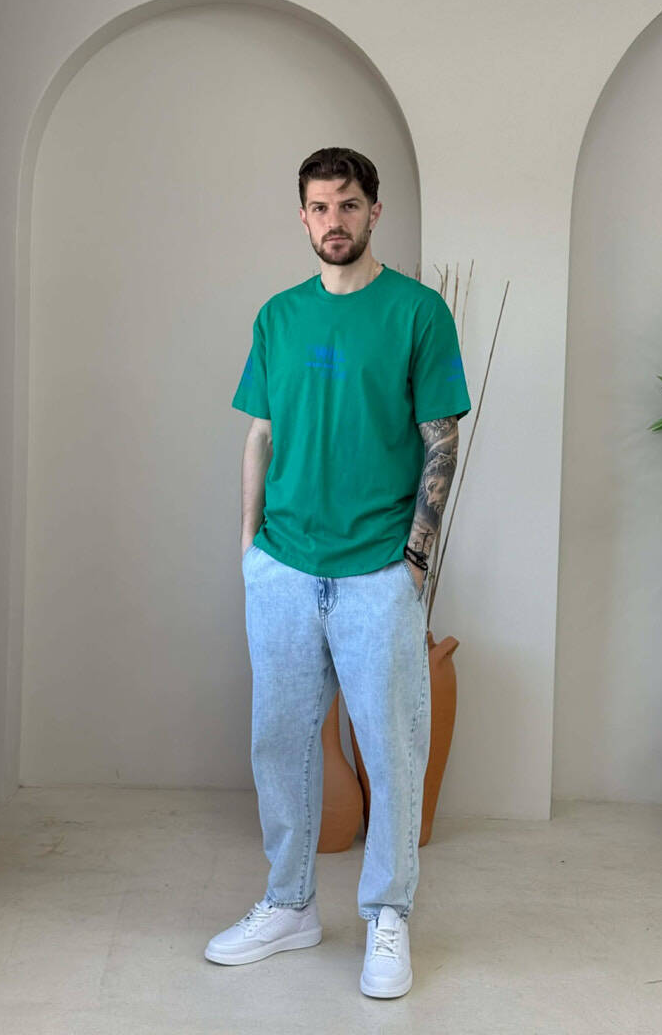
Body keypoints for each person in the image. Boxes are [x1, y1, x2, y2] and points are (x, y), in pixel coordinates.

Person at [204, 147, 471, 998]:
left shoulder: (417, 312)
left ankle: (388, 915)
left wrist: (415, 562)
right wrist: (249, 548)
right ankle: (290, 905)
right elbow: (259, 434)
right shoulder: (278, 316)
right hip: (283, 567)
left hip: (376, 572)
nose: (334, 221)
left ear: (374, 211)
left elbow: (441, 438)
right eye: (319, 207)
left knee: (392, 749)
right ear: (303, 216)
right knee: (280, 746)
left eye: (348, 205)